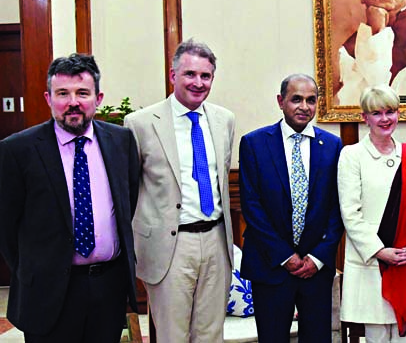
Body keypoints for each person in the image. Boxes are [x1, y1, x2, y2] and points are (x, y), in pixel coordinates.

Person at [0, 54, 139, 342]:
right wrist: (36, 270)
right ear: (48, 98)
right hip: (47, 292)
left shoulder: (121, 141)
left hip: (108, 288)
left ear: (98, 98)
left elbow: (129, 204)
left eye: (82, 93)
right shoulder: (18, 150)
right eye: (63, 93)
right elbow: (6, 228)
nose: (72, 102)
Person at [125, 39, 235, 342]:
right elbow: (130, 190)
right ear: (173, 75)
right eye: (190, 74)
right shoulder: (141, 123)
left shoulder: (224, 120)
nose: (198, 83)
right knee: (173, 335)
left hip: (215, 241)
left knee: (211, 334)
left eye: (205, 76)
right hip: (169, 246)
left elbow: (221, 178)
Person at [238, 74, 344, 342]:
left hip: (315, 270)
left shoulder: (332, 145)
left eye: (311, 100)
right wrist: (286, 256)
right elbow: (252, 207)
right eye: (296, 99)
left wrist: (317, 257)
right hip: (271, 265)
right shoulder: (254, 143)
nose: (304, 107)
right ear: (280, 101)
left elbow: (337, 208)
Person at [337, 85, 406, 342]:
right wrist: (380, 251)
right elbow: (350, 213)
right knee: (377, 336)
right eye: (377, 113)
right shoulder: (352, 155)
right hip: (373, 262)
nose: (385, 119)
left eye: (390, 111)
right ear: (364, 117)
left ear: (398, 113)